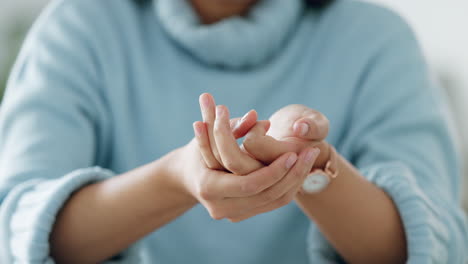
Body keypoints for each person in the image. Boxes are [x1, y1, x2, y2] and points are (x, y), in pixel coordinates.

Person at [0, 0, 467, 263]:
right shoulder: (78, 26)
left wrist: (306, 163)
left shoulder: (377, 40)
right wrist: (176, 177)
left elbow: (433, 246)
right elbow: (15, 232)